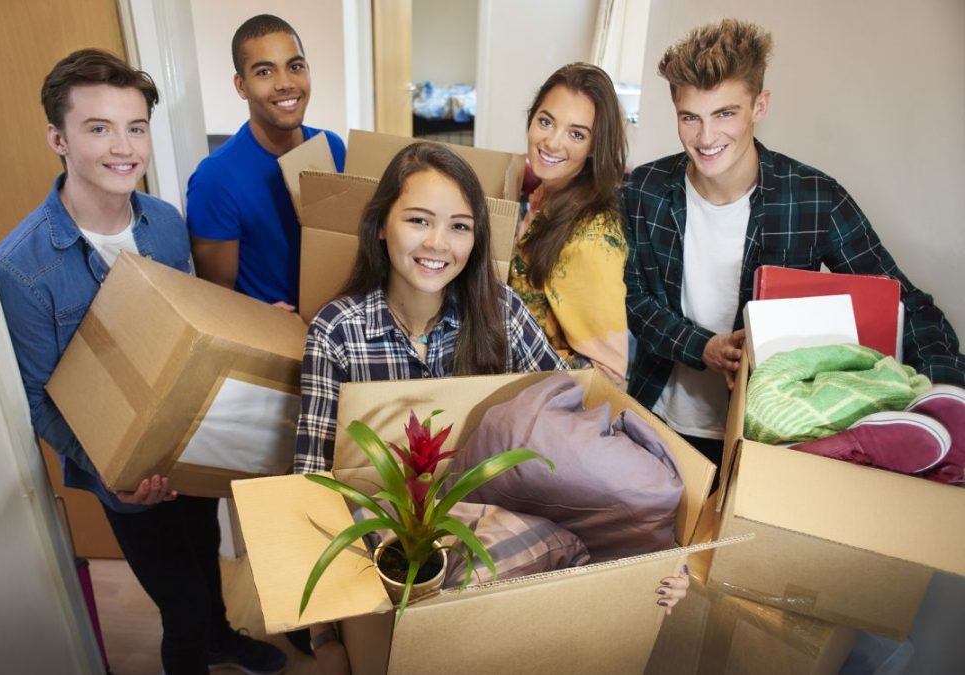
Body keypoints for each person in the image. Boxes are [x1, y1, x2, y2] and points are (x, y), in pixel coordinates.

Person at [293, 143, 688, 670]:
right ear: (380, 225)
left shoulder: (500, 311)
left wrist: (658, 559)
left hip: (497, 570)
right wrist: (325, 637)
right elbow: (308, 485)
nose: (439, 243)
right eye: (418, 220)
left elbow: (573, 414)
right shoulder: (337, 333)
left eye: (460, 226)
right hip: (388, 570)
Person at [0, 49, 286, 675]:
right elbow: (39, 398)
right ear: (58, 138)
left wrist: (263, 324)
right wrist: (113, 473)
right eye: (98, 128)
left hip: (192, 443)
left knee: (206, 550)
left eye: (135, 127)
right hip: (122, 473)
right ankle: (195, 648)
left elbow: (197, 323)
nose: (123, 147)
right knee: (178, 605)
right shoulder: (20, 267)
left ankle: (221, 637)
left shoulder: (165, 224)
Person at [623, 18, 965, 472]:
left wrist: (945, 394)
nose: (706, 138)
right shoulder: (643, 190)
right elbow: (634, 298)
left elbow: (906, 306)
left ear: (759, 105)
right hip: (659, 415)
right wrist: (701, 346)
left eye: (725, 114)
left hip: (771, 433)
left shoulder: (814, 197)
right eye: (691, 118)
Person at [187, 14, 347, 310]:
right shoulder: (215, 179)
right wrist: (263, 318)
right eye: (264, 72)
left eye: (295, 67)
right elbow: (216, 300)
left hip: (334, 325)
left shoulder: (332, 147)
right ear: (241, 85)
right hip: (272, 341)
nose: (285, 83)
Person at [508, 63, 630, 385]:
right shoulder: (542, 195)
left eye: (576, 134)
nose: (552, 142)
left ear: (594, 148)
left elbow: (608, 374)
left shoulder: (591, 239)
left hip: (541, 403)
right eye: (546, 122)